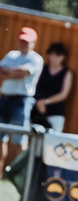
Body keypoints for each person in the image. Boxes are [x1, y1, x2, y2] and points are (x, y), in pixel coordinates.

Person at [0, 26, 43, 175]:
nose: (23, 44)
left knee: (19, 140)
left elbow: (19, 73)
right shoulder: (11, 55)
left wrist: (10, 72)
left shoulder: (36, 59)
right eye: (22, 41)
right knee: (0, 138)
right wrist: (14, 72)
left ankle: (19, 175)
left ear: (33, 43)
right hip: (4, 99)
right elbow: (3, 71)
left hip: (22, 101)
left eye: (27, 42)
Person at [32, 42, 74, 133]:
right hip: (37, 112)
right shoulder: (42, 69)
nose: (55, 57)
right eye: (53, 54)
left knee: (51, 142)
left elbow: (64, 94)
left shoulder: (66, 73)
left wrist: (45, 102)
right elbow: (33, 86)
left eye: (58, 55)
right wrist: (38, 102)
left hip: (55, 113)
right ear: (48, 54)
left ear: (63, 57)